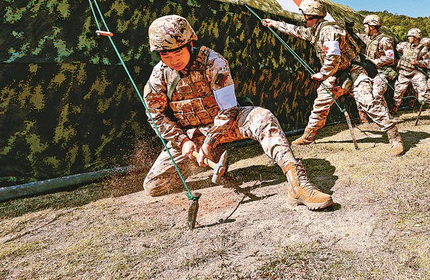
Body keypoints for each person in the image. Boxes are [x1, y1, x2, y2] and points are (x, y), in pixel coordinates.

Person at [142, 14, 333, 210]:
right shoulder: (159, 75)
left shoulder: (213, 62)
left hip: (226, 126)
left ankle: (298, 184)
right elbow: (155, 115)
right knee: (154, 186)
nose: (173, 60)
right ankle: (214, 155)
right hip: (191, 136)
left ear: (190, 44)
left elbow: (228, 108)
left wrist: (210, 141)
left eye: (177, 52)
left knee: (263, 118)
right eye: (165, 55)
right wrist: (182, 141)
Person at [262, 0, 404, 156]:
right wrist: (273, 23)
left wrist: (322, 74)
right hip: (335, 74)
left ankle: (394, 137)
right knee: (320, 104)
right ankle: (309, 136)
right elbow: (295, 30)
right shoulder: (315, 30)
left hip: (354, 71)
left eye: (305, 16)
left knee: (367, 102)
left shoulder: (329, 31)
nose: (303, 19)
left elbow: (333, 58)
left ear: (313, 15)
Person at [356, 14, 397, 123]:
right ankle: (365, 117)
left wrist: (375, 61)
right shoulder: (367, 38)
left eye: (365, 27)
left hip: (381, 71)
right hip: (369, 71)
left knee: (377, 93)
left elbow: (390, 58)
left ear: (372, 27)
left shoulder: (385, 40)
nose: (364, 29)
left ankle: (386, 117)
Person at [391, 28, 430, 114]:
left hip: (416, 73)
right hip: (403, 73)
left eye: (410, 36)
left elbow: (428, 62)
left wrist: (418, 62)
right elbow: (393, 48)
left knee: (424, 90)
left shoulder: (423, 49)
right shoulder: (403, 45)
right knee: (398, 93)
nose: (408, 38)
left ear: (416, 37)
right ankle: (394, 109)